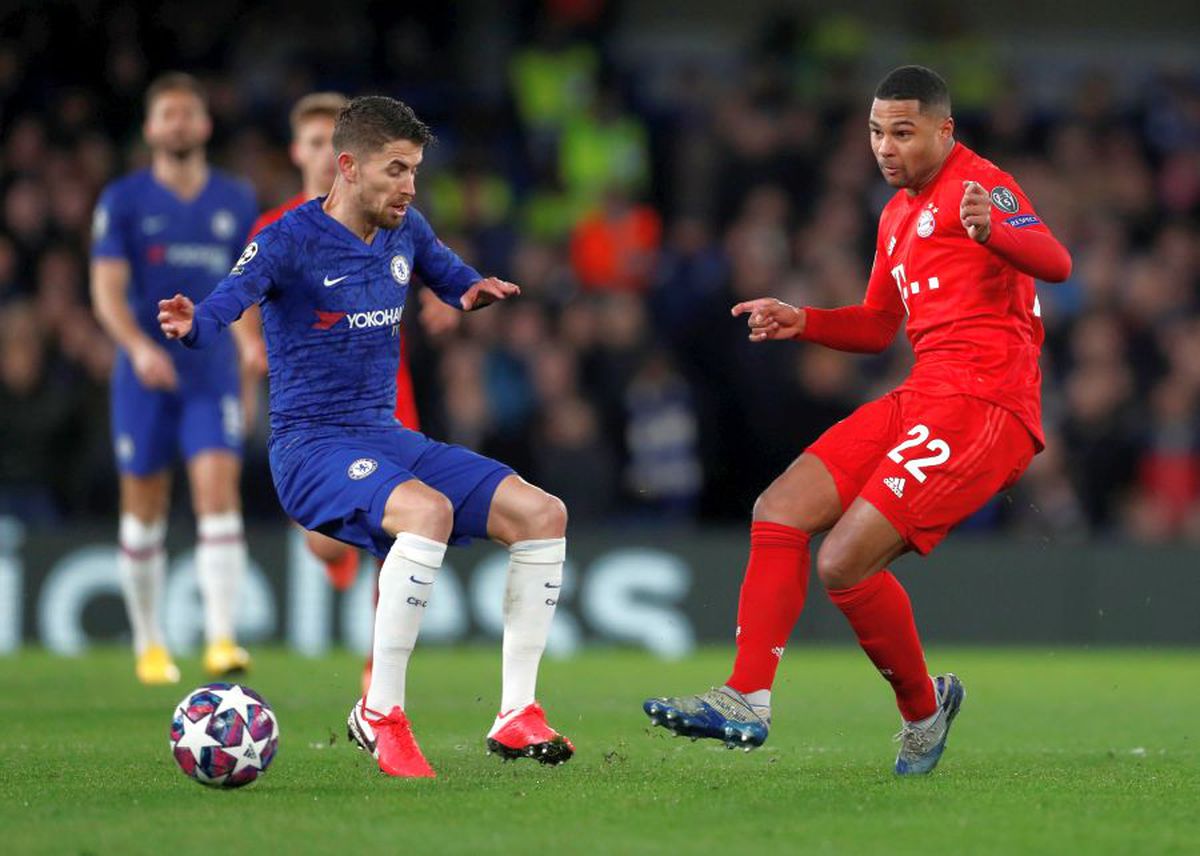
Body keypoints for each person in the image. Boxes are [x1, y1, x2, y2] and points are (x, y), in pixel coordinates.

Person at [643, 65, 1072, 775]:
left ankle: (921, 713)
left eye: (903, 132)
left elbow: (1054, 261)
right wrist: (802, 318)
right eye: (877, 132)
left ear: (944, 130)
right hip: (924, 391)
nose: (886, 147)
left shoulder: (981, 184)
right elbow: (878, 327)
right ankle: (746, 696)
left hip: (985, 404)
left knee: (842, 561)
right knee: (779, 508)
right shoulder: (897, 214)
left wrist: (997, 230)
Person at [159, 95, 573, 778]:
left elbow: (442, 267)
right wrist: (194, 323)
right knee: (428, 513)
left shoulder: (403, 228)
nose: (409, 187)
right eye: (396, 171)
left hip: (384, 435)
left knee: (541, 513)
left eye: (414, 171)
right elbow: (231, 298)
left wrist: (471, 291)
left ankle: (516, 714)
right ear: (347, 168)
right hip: (310, 447)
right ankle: (380, 713)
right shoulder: (289, 239)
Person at [246, 92, 459, 696]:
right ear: (298, 151)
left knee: (406, 525)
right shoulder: (277, 228)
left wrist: (444, 304)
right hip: (313, 410)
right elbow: (241, 297)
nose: (321, 154)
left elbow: (433, 268)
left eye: (329, 142)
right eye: (311, 142)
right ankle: (332, 550)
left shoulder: (392, 215)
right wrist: (246, 349)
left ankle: (378, 669)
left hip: (387, 399)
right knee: (324, 543)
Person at [91, 72, 260, 685]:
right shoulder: (124, 199)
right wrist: (137, 348)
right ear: (151, 128)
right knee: (144, 507)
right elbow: (106, 291)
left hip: (208, 369)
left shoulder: (236, 199)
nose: (180, 124)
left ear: (205, 125)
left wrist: (248, 347)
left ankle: (221, 639)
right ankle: (150, 642)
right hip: (145, 373)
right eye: (169, 115)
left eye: (189, 113)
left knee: (218, 493)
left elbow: (248, 285)